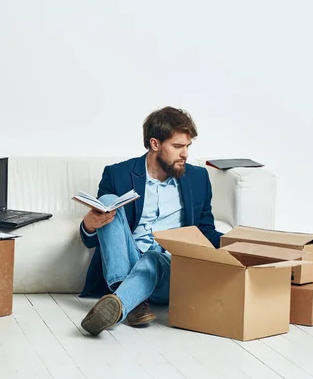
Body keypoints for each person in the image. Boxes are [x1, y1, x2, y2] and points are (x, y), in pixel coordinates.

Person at [78, 106, 223, 336]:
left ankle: (121, 301)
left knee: (155, 258)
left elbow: (206, 231)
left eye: (187, 146)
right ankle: (130, 298)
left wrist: (235, 243)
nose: (185, 154)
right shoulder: (117, 175)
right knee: (107, 200)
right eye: (177, 146)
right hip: (129, 261)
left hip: (171, 271)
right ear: (155, 144)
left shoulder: (198, 178)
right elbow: (94, 240)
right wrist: (88, 226)